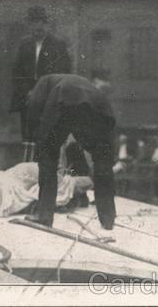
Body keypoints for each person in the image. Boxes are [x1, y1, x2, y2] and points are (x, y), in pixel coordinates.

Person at [23, 73, 116, 229]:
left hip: (64, 97)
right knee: (102, 160)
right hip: (100, 105)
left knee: (47, 156)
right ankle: (108, 218)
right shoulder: (77, 82)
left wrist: (37, 138)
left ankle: (44, 215)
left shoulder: (42, 85)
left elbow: (33, 110)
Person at [10, 6, 71, 146]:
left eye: (43, 22)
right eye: (35, 22)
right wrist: (27, 92)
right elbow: (17, 72)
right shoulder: (24, 44)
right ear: (29, 24)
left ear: (47, 24)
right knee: (28, 138)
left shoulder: (58, 44)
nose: (39, 26)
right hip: (27, 98)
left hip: (49, 98)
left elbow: (63, 72)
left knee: (46, 137)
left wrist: (41, 92)